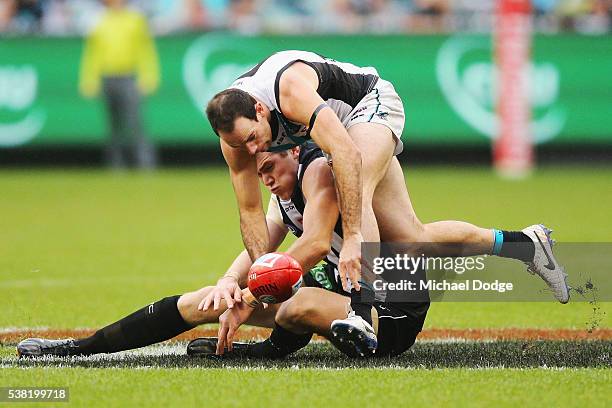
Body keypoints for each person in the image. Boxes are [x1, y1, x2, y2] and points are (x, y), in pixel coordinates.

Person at [204, 50, 570, 355]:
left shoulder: (289, 91)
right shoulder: (236, 138)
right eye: (241, 146)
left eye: (253, 138)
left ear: (259, 109)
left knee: (353, 186)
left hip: (369, 104)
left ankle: (362, 311)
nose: (253, 151)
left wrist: (351, 240)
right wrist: (260, 281)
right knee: (412, 239)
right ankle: (525, 245)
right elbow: (250, 212)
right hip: (341, 135)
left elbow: (346, 153)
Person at [16, 144, 428, 359]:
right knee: (205, 300)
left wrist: (250, 296)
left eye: (270, 167)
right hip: (336, 294)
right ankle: (79, 347)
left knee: (293, 304)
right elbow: (259, 250)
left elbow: (315, 245)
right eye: (258, 172)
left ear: (295, 152)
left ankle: (266, 353)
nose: (265, 178)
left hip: (386, 312)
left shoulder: (320, 176)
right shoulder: (284, 193)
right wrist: (229, 285)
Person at [79, 0, 160, 169]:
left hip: (129, 76)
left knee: (135, 123)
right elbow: (92, 53)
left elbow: (145, 50)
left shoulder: (135, 19)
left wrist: (148, 77)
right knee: (113, 126)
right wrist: (89, 79)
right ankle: (116, 166)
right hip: (107, 76)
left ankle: (145, 164)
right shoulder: (99, 20)